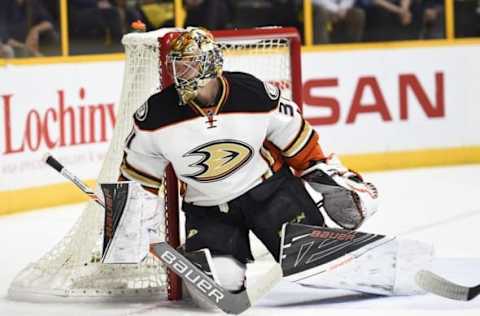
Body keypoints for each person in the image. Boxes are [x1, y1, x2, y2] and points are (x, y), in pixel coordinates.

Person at [116, 27, 381, 297]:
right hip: (209, 209)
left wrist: (327, 173)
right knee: (220, 283)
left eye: (189, 65)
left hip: (270, 193)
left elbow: (295, 137)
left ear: (209, 63)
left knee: (318, 261)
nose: (180, 73)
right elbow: (137, 175)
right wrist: (129, 219)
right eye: (178, 66)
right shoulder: (155, 116)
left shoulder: (251, 93)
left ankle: (366, 265)